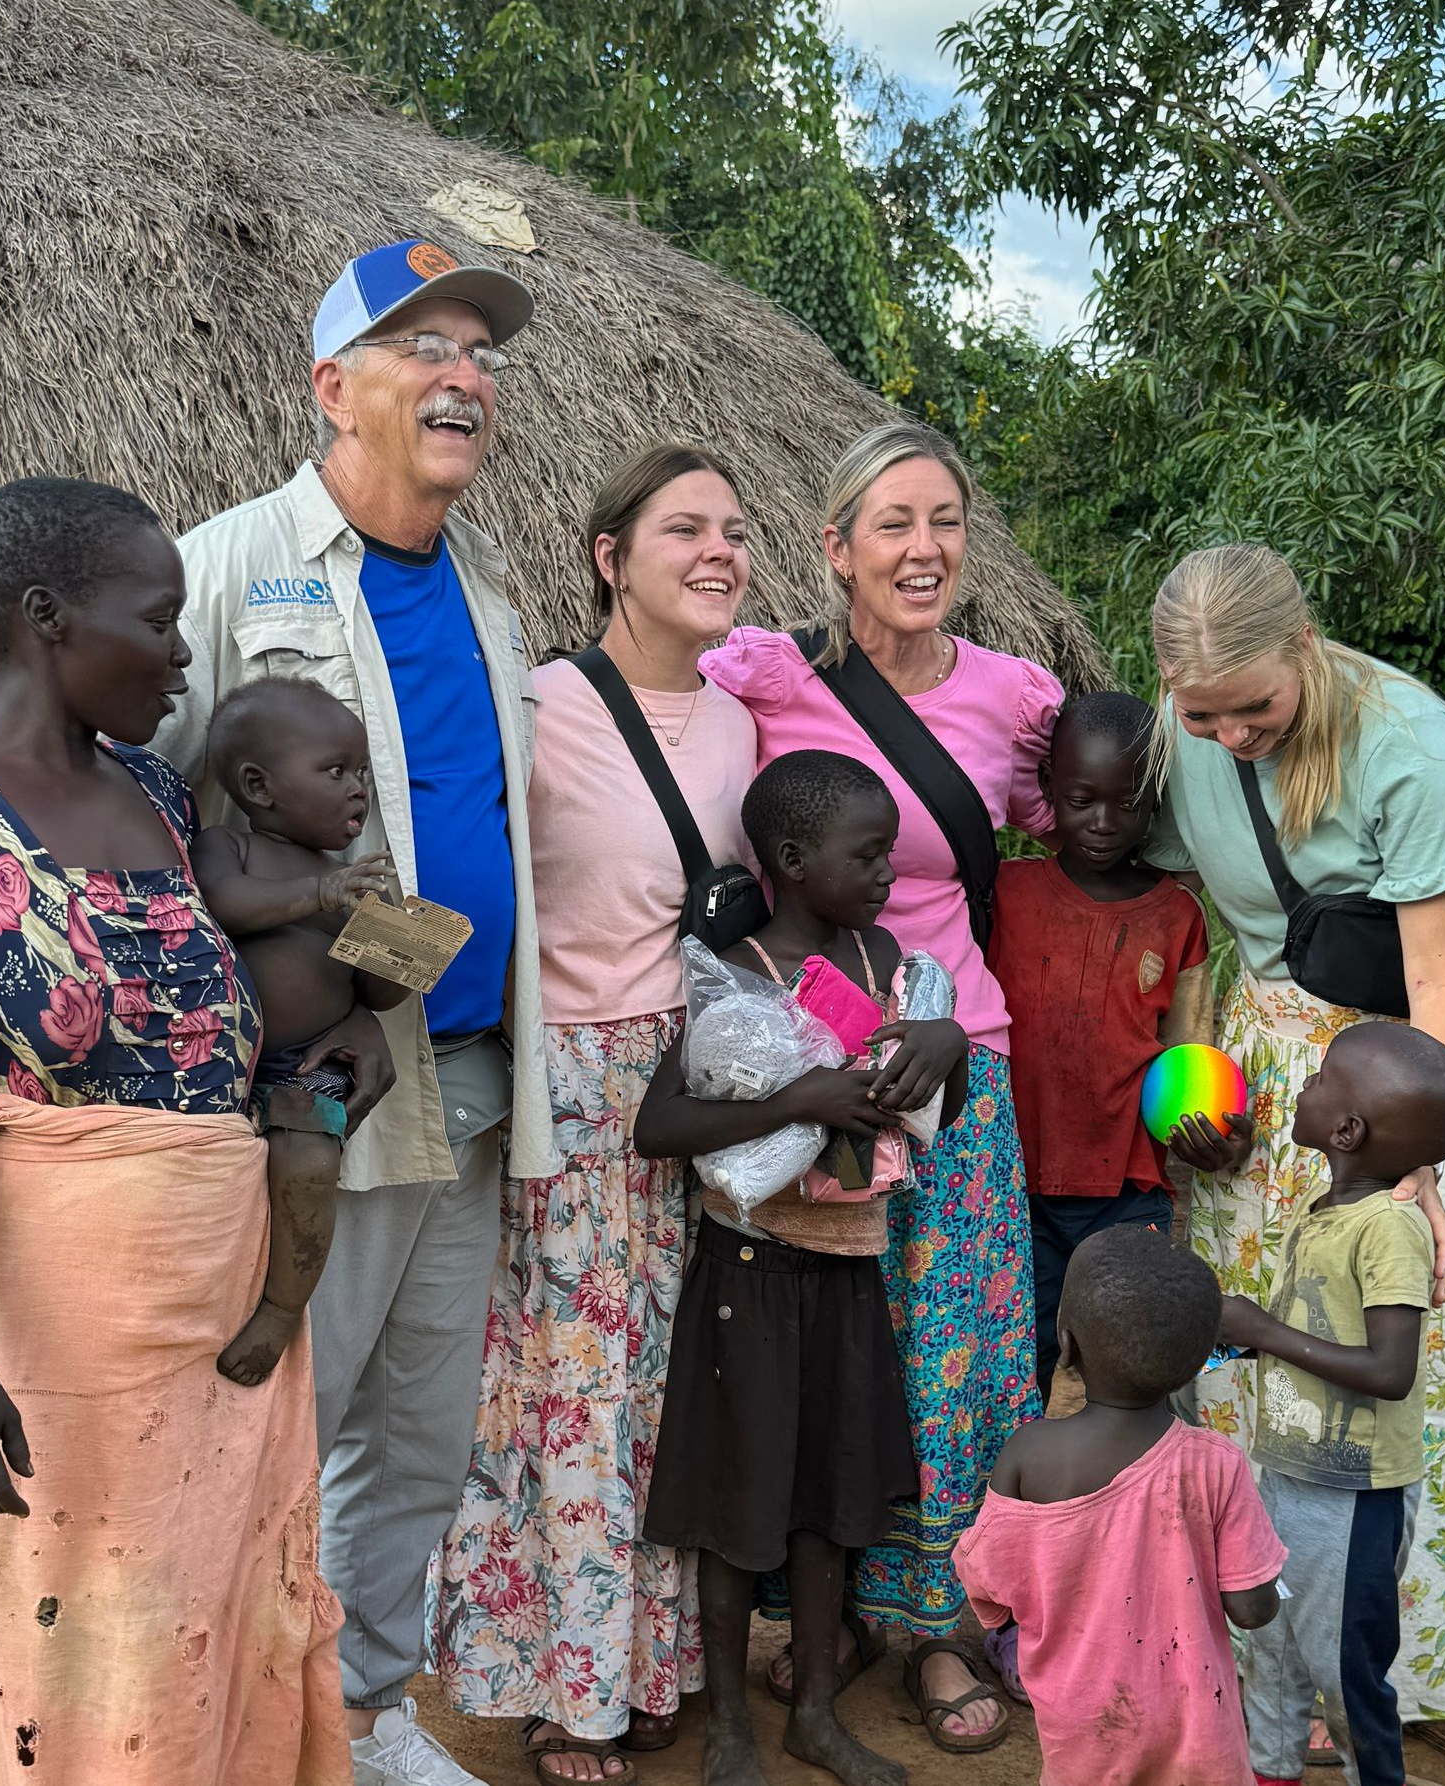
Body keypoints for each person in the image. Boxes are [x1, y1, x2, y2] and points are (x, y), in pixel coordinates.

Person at [0, 239, 556, 1786]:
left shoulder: (491, 595)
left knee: (378, 1456)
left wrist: (374, 1003)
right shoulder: (215, 565)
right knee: (186, 1527)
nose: (465, 372)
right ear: (337, 386)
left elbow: (288, 877)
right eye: (427, 344)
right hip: (135, 1219)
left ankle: (363, 1711)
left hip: (412, 1071)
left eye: (482, 345)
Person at [0, 479, 345, 1784]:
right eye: (158, 619)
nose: (182, 654)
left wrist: (337, 1046)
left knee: (228, 1607)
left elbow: (245, 978)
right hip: (69, 1321)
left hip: (225, 1294)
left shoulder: (163, 799)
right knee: (92, 1643)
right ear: (49, 618)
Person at [1147, 543, 1445, 1732]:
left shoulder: (1408, 738)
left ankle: (1425, 1672)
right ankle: (1281, 1666)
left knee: (1417, 1339)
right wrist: (1196, 1081)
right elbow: (1193, 919)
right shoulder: (1181, 733)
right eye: (1205, 715)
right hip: (1278, 1043)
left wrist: (1413, 1171)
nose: (1231, 735)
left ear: (1303, 648)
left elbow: (1439, 981)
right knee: (1267, 1335)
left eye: (1257, 708)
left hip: (1406, 1064)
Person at [702, 422, 1061, 1748]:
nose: (925, 549)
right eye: (893, 524)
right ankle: (837, 1602)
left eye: (945, 521)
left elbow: (1078, 815)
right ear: (836, 545)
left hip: (961, 1062)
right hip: (812, 1070)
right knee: (829, 1350)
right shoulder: (762, 675)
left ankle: (944, 1623)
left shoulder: (1013, 695)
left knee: (962, 1355)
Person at [429, 444, 757, 1779]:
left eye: (734, 530)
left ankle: (649, 1657)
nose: (719, 550)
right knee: (569, 1388)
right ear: (611, 557)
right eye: (684, 528)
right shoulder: (535, 702)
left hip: (700, 1086)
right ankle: (568, 1683)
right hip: (568, 1083)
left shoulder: (744, 715)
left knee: (683, 1382)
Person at [635, 749, 971, 1786]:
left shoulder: (890, 962)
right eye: (867, 853)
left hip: (850, 1271)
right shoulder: (733, 973)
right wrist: (799, 1101)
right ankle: (733, 1722)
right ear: (791, 856)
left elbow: (930, 1103)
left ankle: (815, 1710)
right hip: (749, 1275)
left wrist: (946, 1038)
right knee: (743, 1507)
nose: (888, 873)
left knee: (830, 1502)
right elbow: (662, 1125)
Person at [1222, 1023, 1445, 1786]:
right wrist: (1245, 1337)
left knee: (1344, 1674)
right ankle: (1271, 1773)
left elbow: (1390, 1369)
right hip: (1290, 1476)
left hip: (1352, 1499)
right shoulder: (1327, 1207)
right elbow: (1316, 1322)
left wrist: (1263, 1332)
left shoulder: (1389, 1226)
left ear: (1347, 1129)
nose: (1304, 1083)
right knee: (1271, 1650)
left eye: (1320, 1077)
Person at [953, 1225, 1285, 1786]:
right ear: (1199, 1359)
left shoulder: (1028, 1456)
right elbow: (1253, 1609)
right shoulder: (1216, 1463)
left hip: (1088, 1728)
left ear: (1068, 1343)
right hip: (1200, 1725)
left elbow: (987, 1583)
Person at [989, 689, 1213, 1404]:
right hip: (1014, 1178)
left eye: (1129, 803)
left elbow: (1191, 1050)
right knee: (1022, 1351)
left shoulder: (1177, 915)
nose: (1104, 823)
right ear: (1049, 787)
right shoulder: (1006, 893)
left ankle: (1110, 1504)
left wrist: (1210, 1126)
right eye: (1083, 799)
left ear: (1156, 801)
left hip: (1127, 1185)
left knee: (1119, 1359)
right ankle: (1026, 1503)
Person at [191, 677, 409, 1386]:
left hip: (312, 1063)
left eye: (363, 774)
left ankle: (283, 1309)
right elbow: (223, 904)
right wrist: (318, 898)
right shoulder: (230, 849)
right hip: (220, 1067)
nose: (358, 790)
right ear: (258, 785)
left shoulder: (352, 883)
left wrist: (395, 944)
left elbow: (379, 996)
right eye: (336, 771)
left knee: (308, 1161)